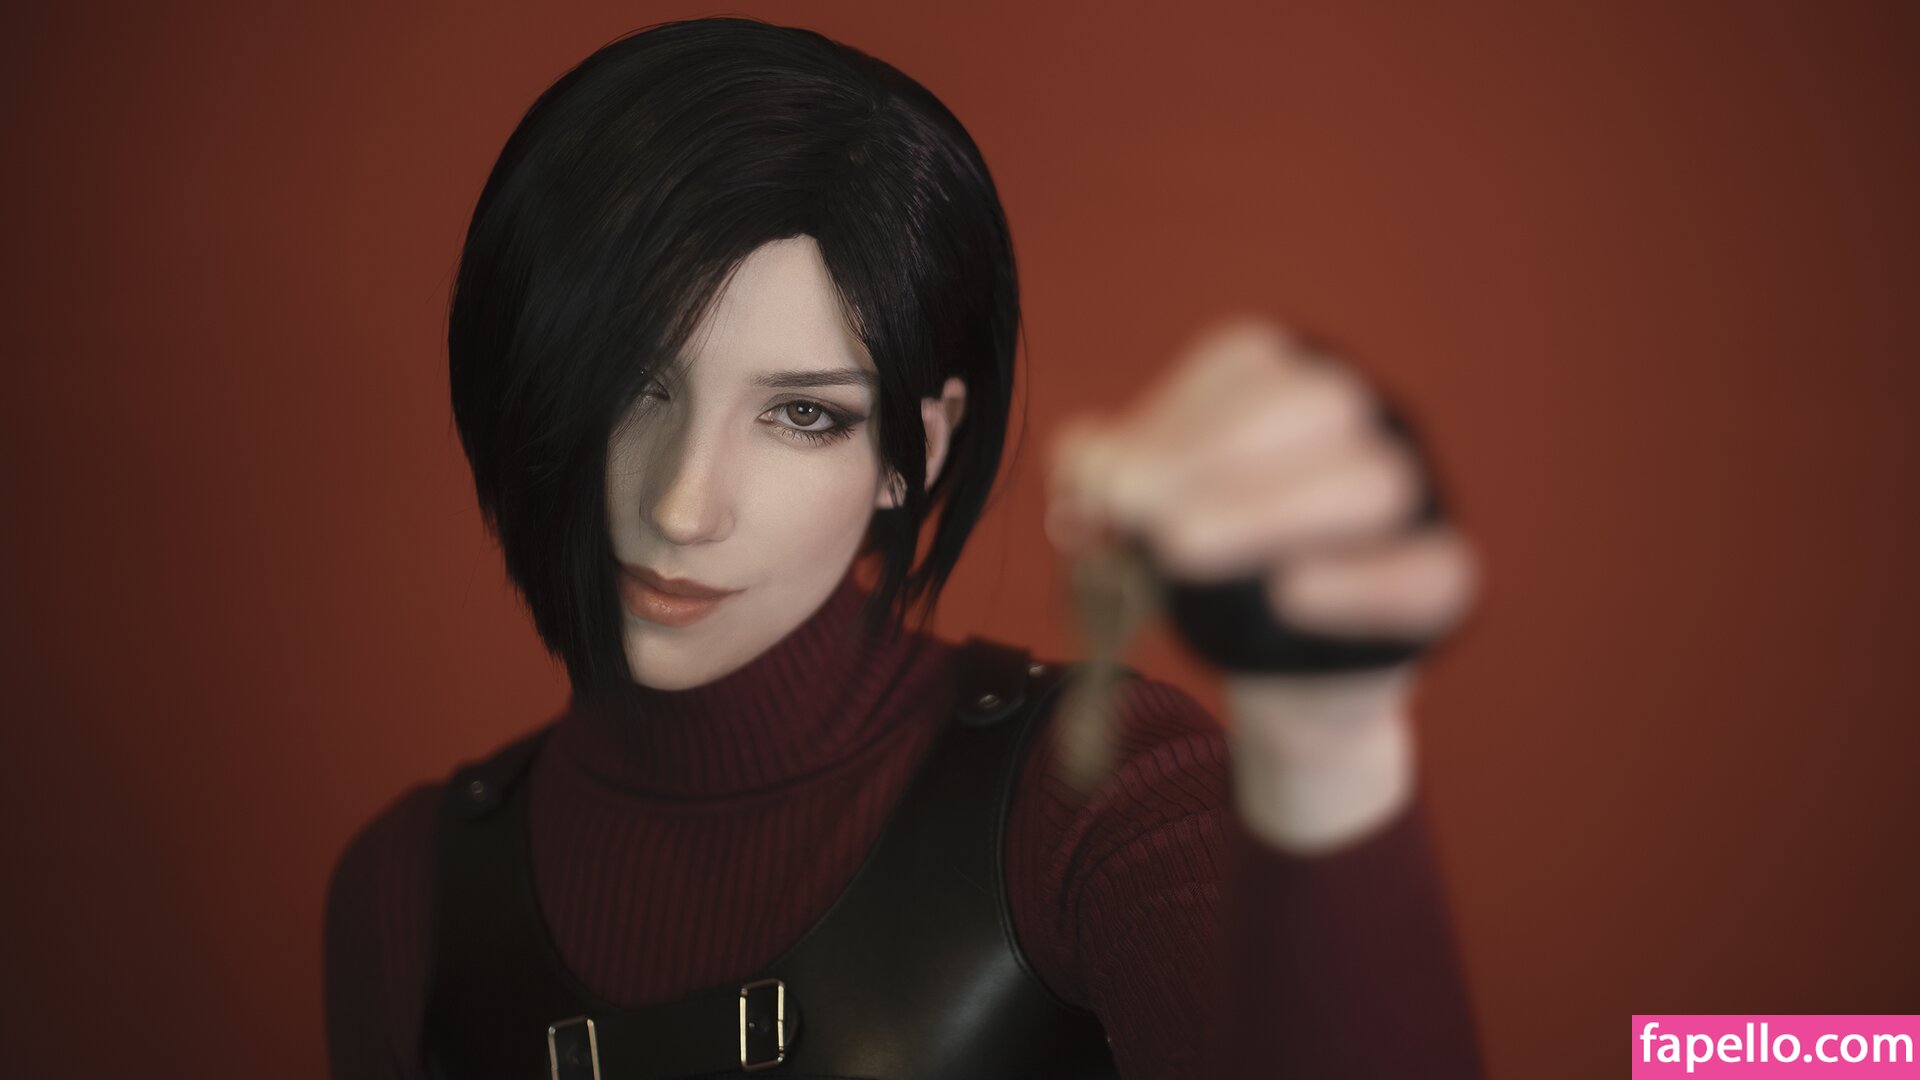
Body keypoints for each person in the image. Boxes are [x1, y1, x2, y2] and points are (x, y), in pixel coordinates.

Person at [323, 15, 1486, 1079]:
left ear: (916, 449)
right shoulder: (406, 889)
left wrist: (1328, 747)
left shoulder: (1102, 798)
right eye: (634, 383)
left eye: (801, 413)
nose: (682, 507)